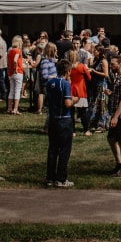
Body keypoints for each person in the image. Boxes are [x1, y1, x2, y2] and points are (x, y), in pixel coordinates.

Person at [45, 59, 75, 188]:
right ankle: (61, 178)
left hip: (53, 118)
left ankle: (50, 177)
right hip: (64, 119)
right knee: (64, 150)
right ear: (68, 71)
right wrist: (75, 100)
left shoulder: (50, 82)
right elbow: (67, 103)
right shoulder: (65, 84)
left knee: (53, 149)